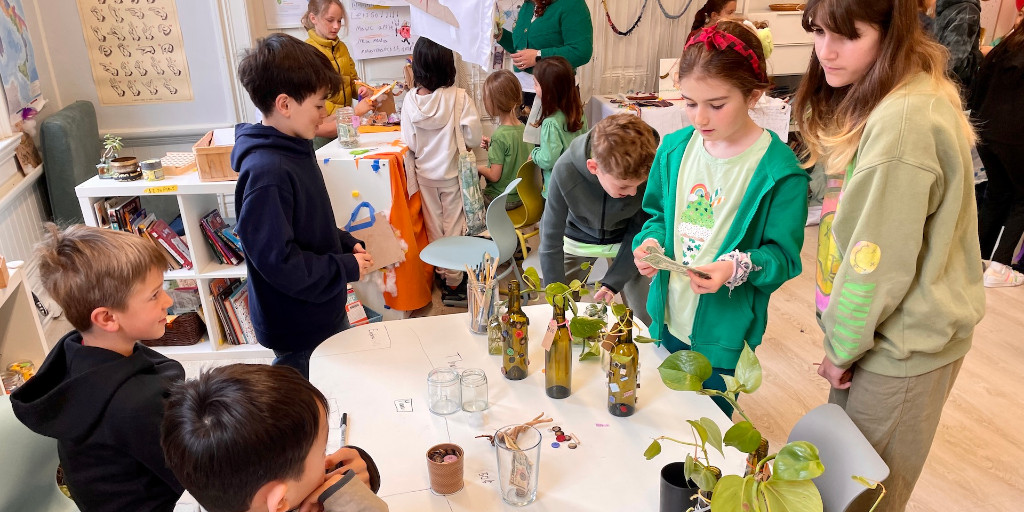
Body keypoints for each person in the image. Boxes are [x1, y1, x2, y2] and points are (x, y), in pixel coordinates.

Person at [793, 0, 985, 509]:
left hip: (898, 344)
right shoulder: (907, 91)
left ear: (889, 31)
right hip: (881, 336)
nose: (825, 52)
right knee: (839, 482)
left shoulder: (902, 125)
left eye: (847, 36)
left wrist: (841, 349)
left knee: (862, 497)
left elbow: (875, 266)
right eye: (817, 32)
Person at [632, 20, 808, 417]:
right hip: (666, 317)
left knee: (706, 441)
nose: (700, 118)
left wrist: (734, 266)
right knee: (664, 420)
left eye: (716, 104)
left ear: (754, 94)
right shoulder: (675, 150)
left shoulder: (780, 172)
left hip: (723, 336)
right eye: (690, 102)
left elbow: (784, 258)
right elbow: (657, 215)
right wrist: (651, 243)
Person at [11, 224, 185, 512]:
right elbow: (196, 471)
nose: (168, 300)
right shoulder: (135, 404)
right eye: (154, 295)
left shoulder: (73, 347)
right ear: (106, 318)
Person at [233, 33, 374, 379]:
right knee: (311, 402)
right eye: (318, 104)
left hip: (318, 305)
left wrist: (342, 242)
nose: (325, 112)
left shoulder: (295, 146)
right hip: (297, 322)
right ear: (284, 104)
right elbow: (279, 262)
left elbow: (306, 223)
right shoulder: (268, 172)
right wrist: (343, 267)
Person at [161, 364, 387, 512]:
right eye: (321, 452)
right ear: (279, 502)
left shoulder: (223, 488)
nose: (327, 457)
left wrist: (360, 472)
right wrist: (358, 505)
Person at [540, 114, 658, 326]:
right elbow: (550, 241)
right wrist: (557, 300)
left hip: (627, 241)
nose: (633, 193)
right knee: (561, 309)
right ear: (594, 168)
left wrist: (614, 282)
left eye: (638, 185)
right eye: (623, 186)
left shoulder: (646, 167)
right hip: (578, 237)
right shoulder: (564, 169)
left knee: (645, 314)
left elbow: (640, 230)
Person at [401, 37, 482, 304]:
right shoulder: (459, 98)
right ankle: (456, 282)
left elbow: (410, 142)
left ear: (418, 65)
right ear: (448, 65)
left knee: (434, 226)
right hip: (452, 174)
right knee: (455, 225)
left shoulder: (410, 101)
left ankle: (441, 274)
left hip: (425, 176)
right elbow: (471, 139)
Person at [971, 5, 1024, 287]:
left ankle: (976, 259)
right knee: (1021, 198)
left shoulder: (1007, 44)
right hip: (1013, 135)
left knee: (998, 192)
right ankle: (1000, 266)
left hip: (986, 131)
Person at [497, 0, 593, 138]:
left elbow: (581, 51)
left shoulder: (572, 3)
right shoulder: (528, 5)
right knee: (527, 154)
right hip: (522, 94)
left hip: (556, 94)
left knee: (554, 154)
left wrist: (538, 56)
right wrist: (500, 35)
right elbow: (521, 48)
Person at [302, 0, 376, 146]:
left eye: (339, 21)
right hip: (324, 129)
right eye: (330, 20)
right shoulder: (307, 52)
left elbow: (353, 81)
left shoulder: (342, 47)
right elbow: (310, 99)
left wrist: (361, 90)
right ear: (313, 18)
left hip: (347, 124)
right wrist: (353, 113)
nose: (336, 26)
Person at [530, 56, 587, 198]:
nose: (534, 87)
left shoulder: (551, 123)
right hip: (578, 184)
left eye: (536, 84)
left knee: (552, 220)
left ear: (549, 89)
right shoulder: (578, 112)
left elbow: (548, 160)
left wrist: (535, 154)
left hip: (557, 189)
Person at [478, 69, 532, 210]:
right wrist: (493, 147)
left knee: (471, 199)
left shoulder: (500, 136)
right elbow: (515, 158)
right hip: (521, 197)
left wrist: (477, 168)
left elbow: (494, 176)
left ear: (494, 103)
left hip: (501, 199)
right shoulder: (524, 128)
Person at [934, 0, 984, 94]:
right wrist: (979, 55)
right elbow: (954, 67)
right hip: (951, 92)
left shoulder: (945, 6)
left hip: (935, 85)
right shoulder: (967, 11)